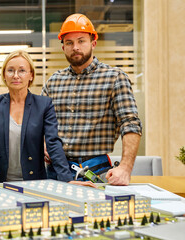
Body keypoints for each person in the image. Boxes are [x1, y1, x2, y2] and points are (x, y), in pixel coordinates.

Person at [0, 50, 95, 188]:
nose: (16, 75)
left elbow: (53, 143)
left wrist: (67, 180)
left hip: (34, 183)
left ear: (31, 75)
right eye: (10, 70)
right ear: (4, 75)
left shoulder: (43, 105)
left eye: (22, 70)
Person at [42, 13, 142, 186]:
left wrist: (125, 168)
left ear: (93, 43)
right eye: (69, 43)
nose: (75, 47)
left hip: (96, 172)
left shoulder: (114, 78)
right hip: (56, 172)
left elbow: (130, 124)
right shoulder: (53, 82)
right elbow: (39, 123)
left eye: (81, 41)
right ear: (63, 47)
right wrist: (42, 142)